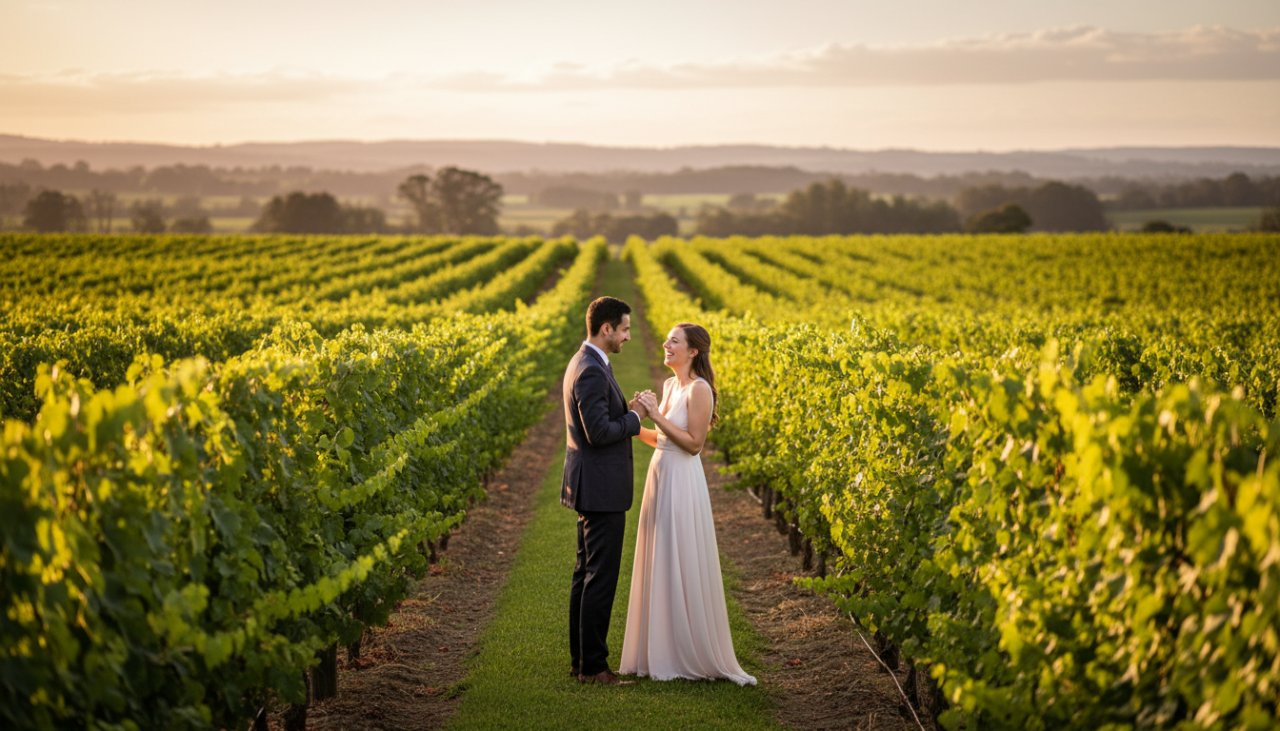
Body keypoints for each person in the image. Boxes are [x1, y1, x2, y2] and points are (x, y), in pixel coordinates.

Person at [619, 323, 756, 686]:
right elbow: (662, 439)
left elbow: (694, 444)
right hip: (660, 474)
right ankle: (656, 650)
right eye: (666, 339)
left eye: (674, 341)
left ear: (693, 351)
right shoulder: (668, 386)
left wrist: (656, 414)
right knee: (659, 556)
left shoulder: (700, 390)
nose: (666, 344)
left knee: (680, 555)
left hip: (683, 480)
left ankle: (683, 652)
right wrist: (634, 419)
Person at [562, 296, 649, 685]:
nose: (628, 336)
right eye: (625, 329)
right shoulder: (591, 370)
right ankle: (594, 667)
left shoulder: (587, 362)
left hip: (590, 485)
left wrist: (623, 413)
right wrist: (634, 417)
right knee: (599, 577)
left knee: (585, 574)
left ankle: (582, 662)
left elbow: (595, 421)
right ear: (606, 328)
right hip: (600, 489)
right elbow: (598, 433)